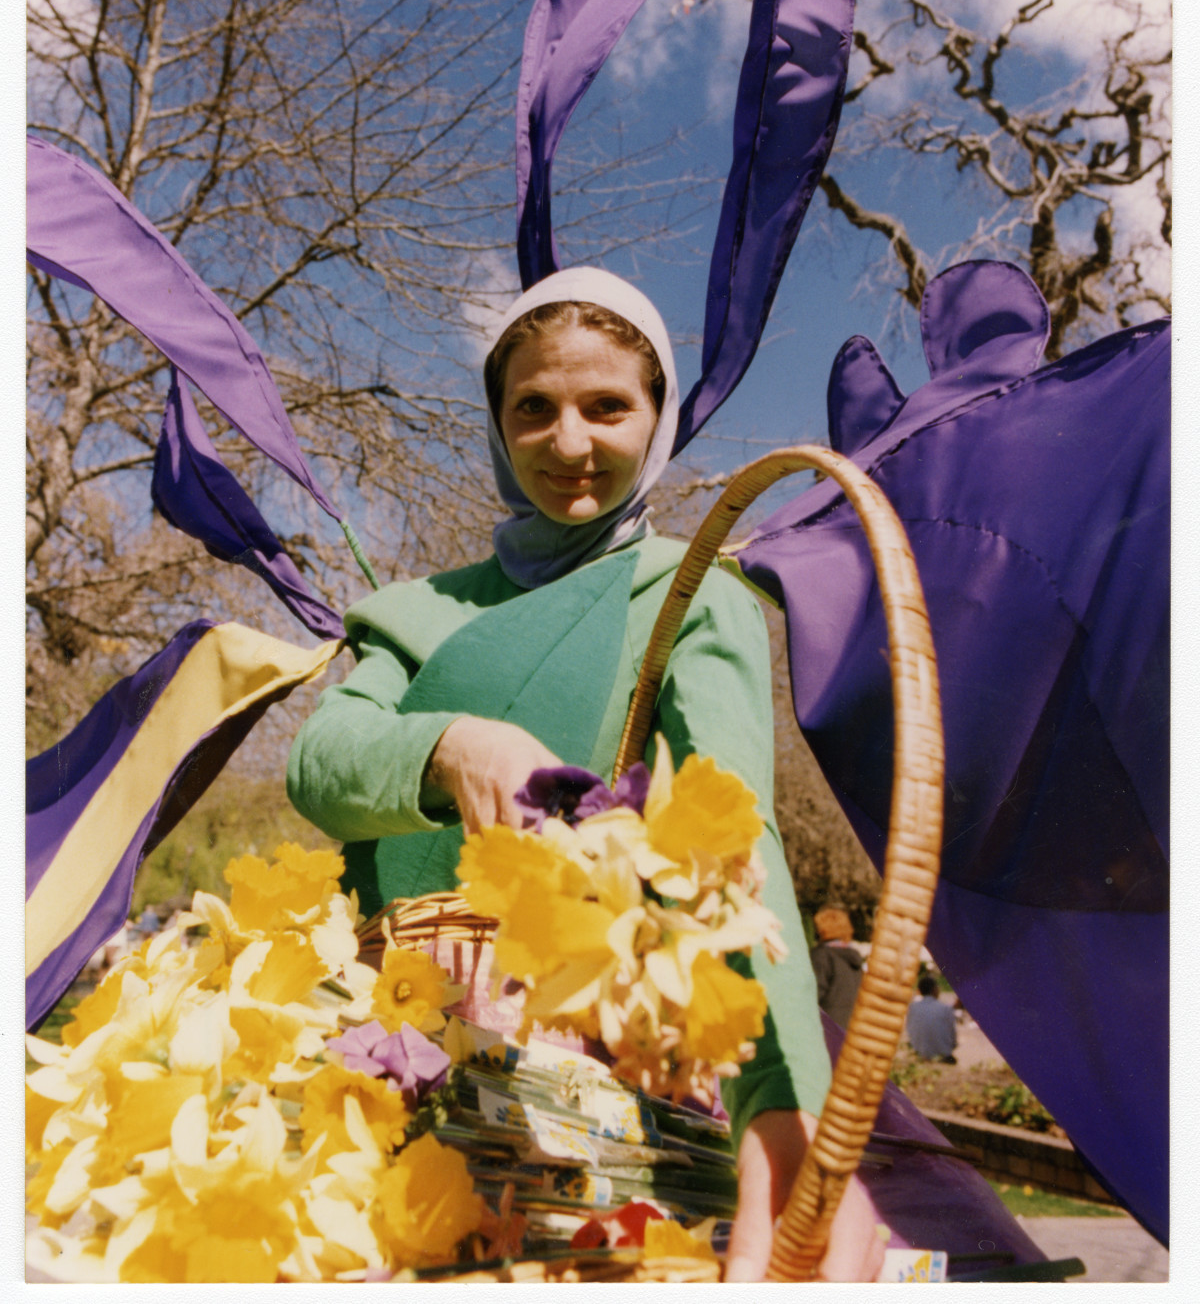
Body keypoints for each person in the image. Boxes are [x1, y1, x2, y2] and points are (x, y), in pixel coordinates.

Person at [288, 267, 884, 1282]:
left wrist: (786, 1111)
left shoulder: (693, 597)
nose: (570, 443)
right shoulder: (412, 609)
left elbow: (730, 845)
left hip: (592, 1079)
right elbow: (319, 764)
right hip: (374, 1053)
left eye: (608, 404)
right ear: (497, 426)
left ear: (655, 419)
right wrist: (449, 746)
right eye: (535, 408)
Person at [809, 907, 864, 1029]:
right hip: (851, 1029)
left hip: (825, 1030)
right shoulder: (854, 959)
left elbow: (813, 994)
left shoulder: (822, 956)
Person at [906, 973, 958, 1063]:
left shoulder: (912, 1008)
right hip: (942, 1056)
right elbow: (953, 1039)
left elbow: (910, 1031)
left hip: (918, 1054)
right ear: (934, 990)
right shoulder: (945, 1008)